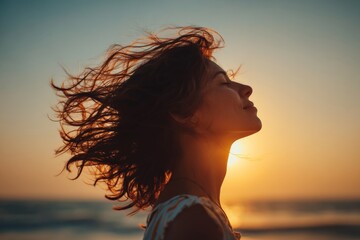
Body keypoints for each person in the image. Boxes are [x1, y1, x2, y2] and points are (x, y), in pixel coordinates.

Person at [52, 26, 262, 240]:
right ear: (184, 112)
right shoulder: (193, 219)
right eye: (223, 82)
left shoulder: (188, 211)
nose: (246, 88)